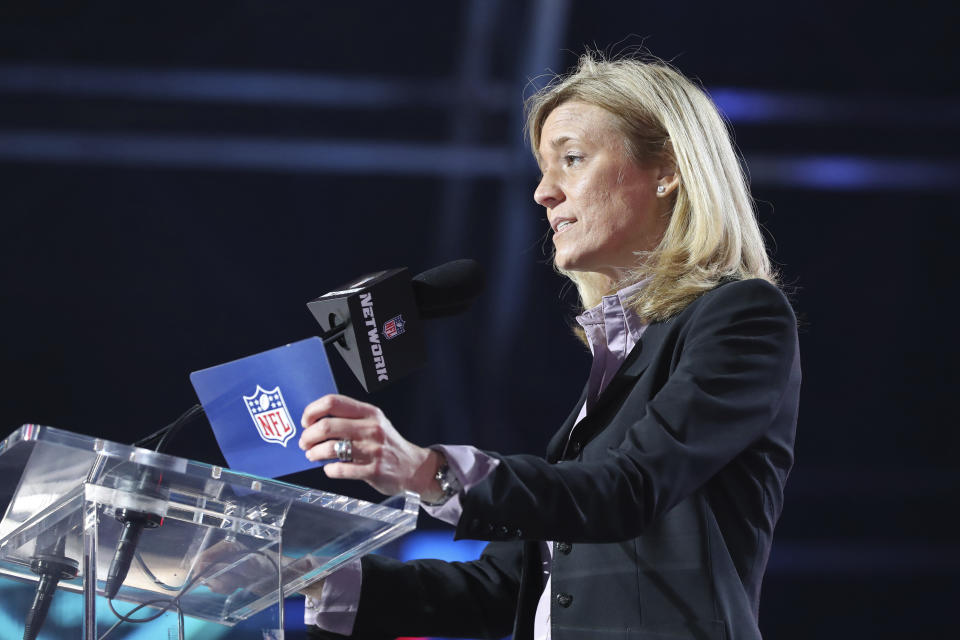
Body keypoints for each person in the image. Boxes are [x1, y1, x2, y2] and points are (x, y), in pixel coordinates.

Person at [299, 52, 801, 640]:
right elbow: (504, 590)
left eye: (572, 159)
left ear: (665, 168)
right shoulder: (612, 374)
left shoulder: (742, 315)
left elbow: (627, 490)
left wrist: (428, 470)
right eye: (543, 168)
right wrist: (311, 576)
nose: (543, 193)